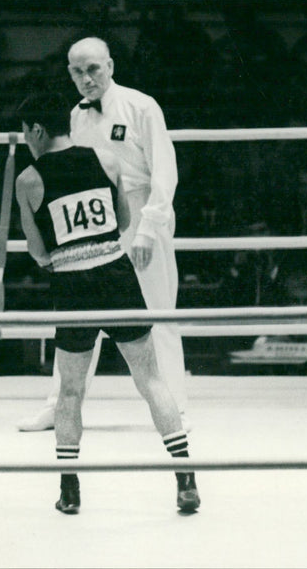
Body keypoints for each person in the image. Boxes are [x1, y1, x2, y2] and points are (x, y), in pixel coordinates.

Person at [14, 91, 199, 514]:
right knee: (151, 379)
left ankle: (69, 489)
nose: (26, 141)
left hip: (71, 285)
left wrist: (64, 255)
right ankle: (186, 478)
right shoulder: (106, 159)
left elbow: (37, 250)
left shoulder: (29, 179)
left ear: (37, 130)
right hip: (116, 275)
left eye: (26, 133)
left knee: (71, 392)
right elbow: (124, 220)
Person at [17, 37, 189, 433]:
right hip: (90, 221)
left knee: (158, 311)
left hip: (141, 213)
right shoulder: (74, 116)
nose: (86, 78)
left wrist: (147, 228)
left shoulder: (141, 106)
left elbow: (165, 171)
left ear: (110, 65)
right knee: (77, 316)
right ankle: (59, 406)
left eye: (93, 68)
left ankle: (175, 407)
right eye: (77, 71)